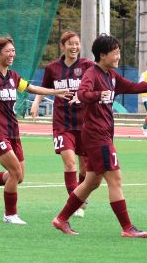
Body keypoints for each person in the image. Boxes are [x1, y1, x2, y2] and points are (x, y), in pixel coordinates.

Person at [52, 34, 147, 237]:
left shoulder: (111, 76)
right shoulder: (92, 73)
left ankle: (61, 219)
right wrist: (98, 95)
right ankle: (127, 228)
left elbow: (136, 87)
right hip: (97, 136)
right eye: (115, 53)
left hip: (102, 134)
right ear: (102, 55)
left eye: (119, 52)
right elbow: (82, 94)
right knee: (115, 180)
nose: (118, 56)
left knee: (92, 182)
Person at [0, 33, 71, 224]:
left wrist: (55, 92)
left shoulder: (13, 77)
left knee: (19, 176)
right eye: (8, 51)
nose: (12, 54)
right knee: (15, 172)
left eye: (13, 51)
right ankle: (10, 215)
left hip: (13, 132)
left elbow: (32, 88)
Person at [29, 31, 95, 208]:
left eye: (77, 43)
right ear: (62, 46)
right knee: (70, 163)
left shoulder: (88, 66)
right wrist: (36, 103)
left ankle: (80, 195)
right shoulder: (52, 68)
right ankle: (75, 203)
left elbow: (98, 85)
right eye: (70, 43)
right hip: (62, 124)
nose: (74, 47)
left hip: (85, 124)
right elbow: (44, 88)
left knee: (84, 168)